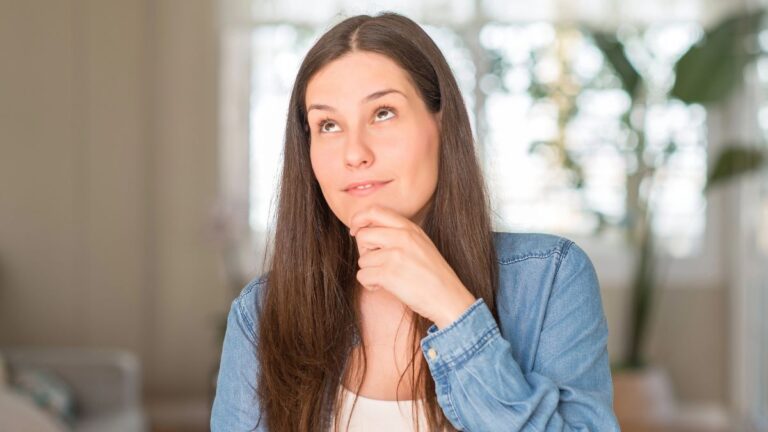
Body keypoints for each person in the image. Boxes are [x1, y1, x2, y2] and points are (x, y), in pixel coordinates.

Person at [210, 11, 620, 432]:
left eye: (383, 113)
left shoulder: (549, 278)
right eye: (328, 124)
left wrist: (454, 311)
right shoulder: (259, 315)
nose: (355, 153)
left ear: (441, 123)